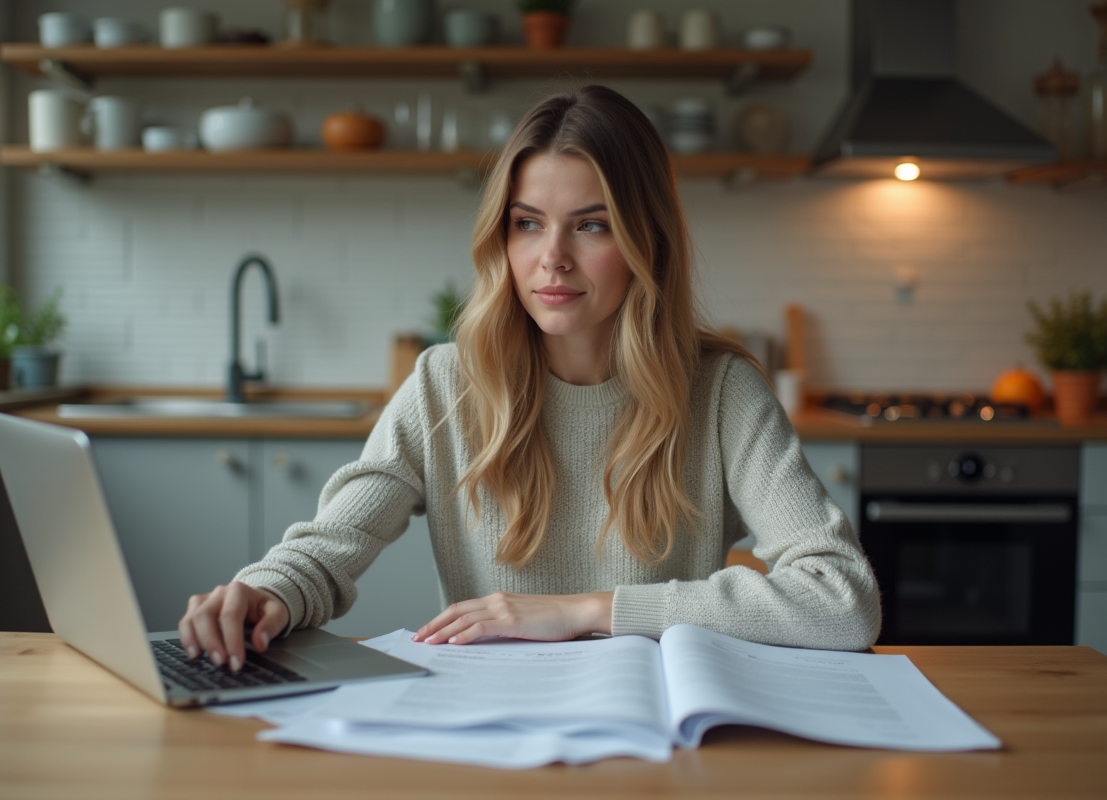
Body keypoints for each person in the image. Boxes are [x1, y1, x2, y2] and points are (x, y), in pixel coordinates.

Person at [178, 85, 881, 674]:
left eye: (593, 225)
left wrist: (583, 611)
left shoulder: (722, 391)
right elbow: (327, 549)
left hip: (656, 733)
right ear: (501, 237)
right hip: (491, 723)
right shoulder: (445, 384)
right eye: (527, 223)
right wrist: (261, 594)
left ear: (647, 242)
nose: (553, 259)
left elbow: (842, 599)